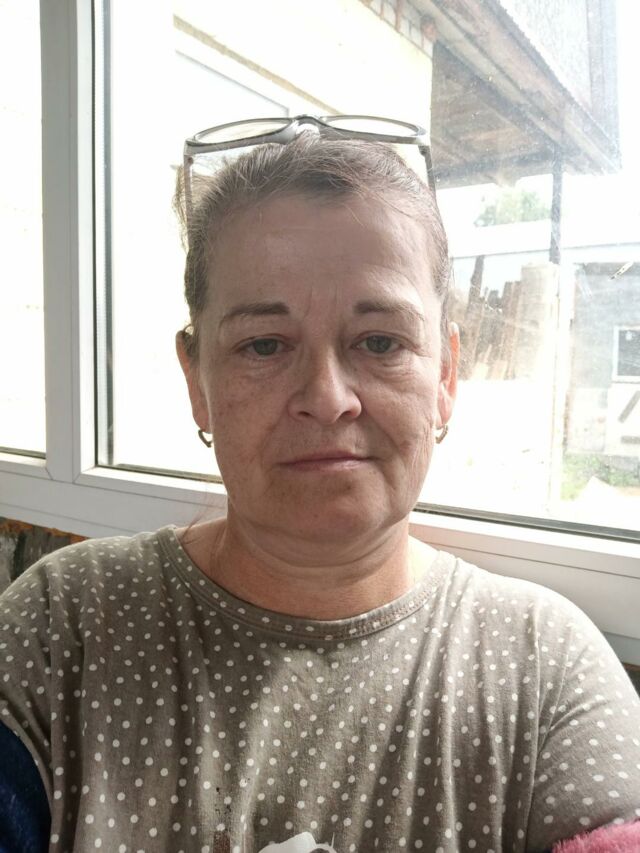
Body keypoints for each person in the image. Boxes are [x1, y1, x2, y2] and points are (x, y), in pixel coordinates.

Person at [1, 119, 639, 853]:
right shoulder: (66, 628)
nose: (328, 398)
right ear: (197, 382)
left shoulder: (545, 670)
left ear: (445, 376)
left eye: (380, 342)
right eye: (264, 345)